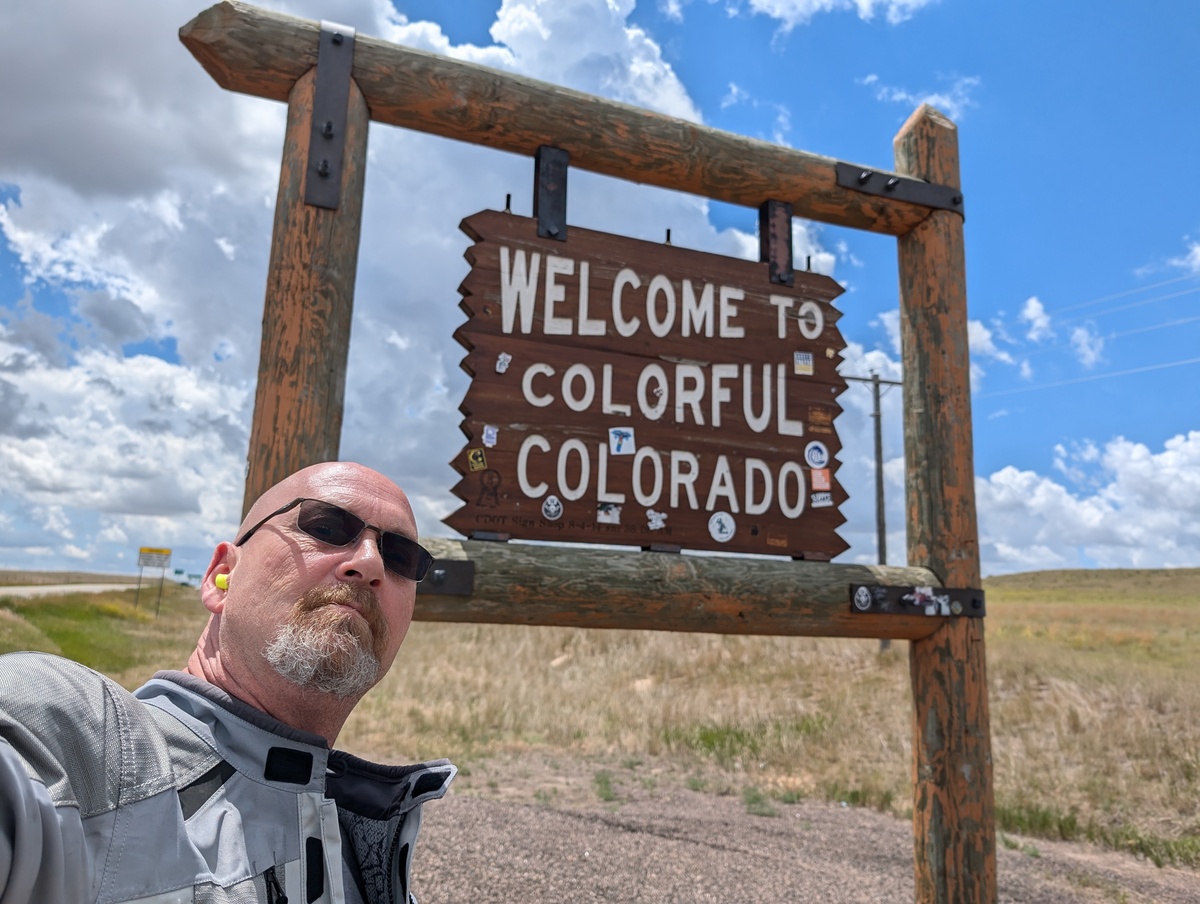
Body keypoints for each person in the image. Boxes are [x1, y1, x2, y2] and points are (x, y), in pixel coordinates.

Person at [0, 461, 454, 904]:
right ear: (223, 578)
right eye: (327, 526)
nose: (370, 563)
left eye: (401, 557)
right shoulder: (78, 743)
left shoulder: (365, 848)